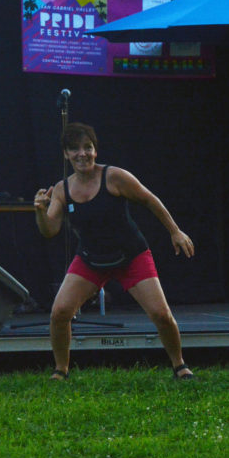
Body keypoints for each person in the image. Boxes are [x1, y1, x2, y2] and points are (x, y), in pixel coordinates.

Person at [34, 122, 196, 381]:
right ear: (66, 154)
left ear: (95, 150)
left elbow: (150, 199)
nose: (82, 154)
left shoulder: (114, 176)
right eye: (74, 149)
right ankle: (60, 370)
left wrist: (175, 231)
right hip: (90, 259)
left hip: (131, 256)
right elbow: (48, 230)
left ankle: (179, 366)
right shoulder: (63, 189)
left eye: (87, 147)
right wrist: (40, 211)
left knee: (161, 314)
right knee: (60, 312)